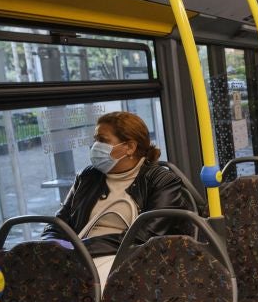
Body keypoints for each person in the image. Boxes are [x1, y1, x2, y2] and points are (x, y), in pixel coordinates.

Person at [42, 111, 192, 280]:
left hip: (130, 256)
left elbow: (145, 236)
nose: (95, 146)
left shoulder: (161, 181)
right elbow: (59, 222)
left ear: (129, 147)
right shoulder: (87, 177)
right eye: (95, 140)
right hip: (79, 253)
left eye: (102, 140)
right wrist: (51, 245)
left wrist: (82, 247)